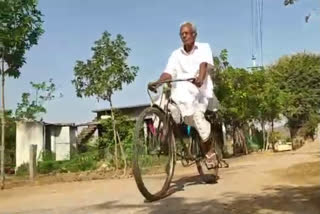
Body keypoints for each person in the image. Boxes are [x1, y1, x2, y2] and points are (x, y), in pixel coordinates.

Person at [148, 21, 217, 168]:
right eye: (182, 34)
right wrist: (158, 82)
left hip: (199, 93)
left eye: (187, 33)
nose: (184, 36)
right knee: (161, 104)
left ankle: (210, 152)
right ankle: (163, 139)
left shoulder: (204, 47)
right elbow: (168, 72)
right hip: (180, 94)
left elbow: (203, 65)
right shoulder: (175, 54)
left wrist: (200, 78)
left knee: (198, 118)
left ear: (194, 35)